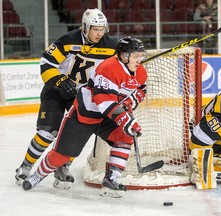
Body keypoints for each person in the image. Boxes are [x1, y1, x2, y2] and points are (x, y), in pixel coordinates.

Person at [21, 36, 147, 198]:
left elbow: (141, 88)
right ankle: (37, 175)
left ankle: (111, 180)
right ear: (123, 56)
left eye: (140, 56)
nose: (139, 60)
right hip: (85, 113)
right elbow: (102, 99)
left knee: (124, 137)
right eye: (135, 56)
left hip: (107, 116)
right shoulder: (108, 68)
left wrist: (130, 101)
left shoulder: (140, 71)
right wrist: (124, 118)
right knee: (62, 155)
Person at [15, 8, 117, 189]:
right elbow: (46, 63)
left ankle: (62, 167)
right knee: (47, 133)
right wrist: (61, 81)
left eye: (102, 29)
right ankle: (26, 166)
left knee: (76, 133)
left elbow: (119, 67)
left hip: (79, 96)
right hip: (56, 90)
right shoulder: (67, 41)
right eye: (95, 29)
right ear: (85, 27)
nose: (99, 33)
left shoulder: (110, 46)